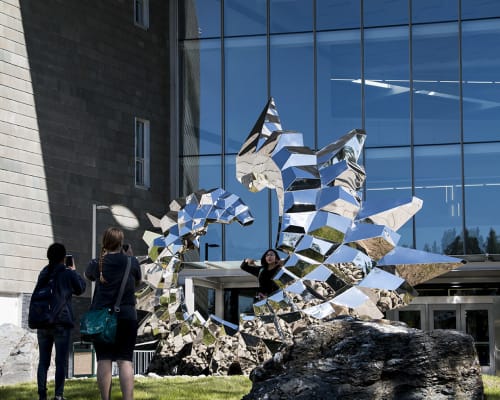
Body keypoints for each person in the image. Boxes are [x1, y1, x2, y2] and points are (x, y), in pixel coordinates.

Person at [85, 227, 141, 400]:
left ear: (105, 242)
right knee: (125, 360)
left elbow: (88, 275)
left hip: (102, 319)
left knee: (104, 359)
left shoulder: (97, 263)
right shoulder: (132, 262)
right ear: (121, 243)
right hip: (126, 316)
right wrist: (130, 256)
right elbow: (138, 282)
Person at [35, 243, 86, 400]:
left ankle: (42, 396)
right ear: (64, 258)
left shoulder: (44, 272)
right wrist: (74, 271)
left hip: (43, 321)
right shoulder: (66, 272)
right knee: (61, 361)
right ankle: (58, 395)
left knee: (43, 361)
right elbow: (81, 288)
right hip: (61, 322)